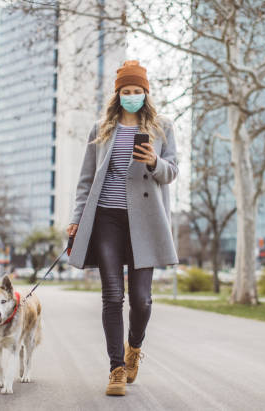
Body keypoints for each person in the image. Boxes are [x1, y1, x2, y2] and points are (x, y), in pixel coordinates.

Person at [66, 60, 179, 396]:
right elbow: (86, 178)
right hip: (107, 220)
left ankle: (134, 347)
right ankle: (116, 368)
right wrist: (75, 218)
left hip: (145, 221)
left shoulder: (163, 127)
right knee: (112, 296)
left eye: (137, 91)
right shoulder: (101, 128)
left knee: (141, 300)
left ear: (146, 92)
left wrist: (153, 162)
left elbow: (172, 171)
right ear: (118, 94)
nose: (132, 96)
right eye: (126, 91)